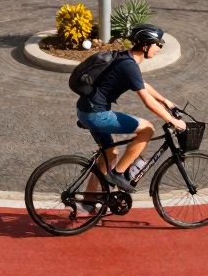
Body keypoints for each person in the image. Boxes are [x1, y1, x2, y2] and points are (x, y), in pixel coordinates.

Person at [76, 24, 186, 193]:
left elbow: (142, 85)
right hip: (96, 114)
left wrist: (166, 101)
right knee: (147, 129)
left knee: (110, 154)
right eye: (158, 44)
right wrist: (172, 121)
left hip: (86, 110)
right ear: (145, 45)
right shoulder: (129, 66)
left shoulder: (125, 58)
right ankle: (118, 174)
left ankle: (89, 200)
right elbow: (148, 103)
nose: (159, 48)